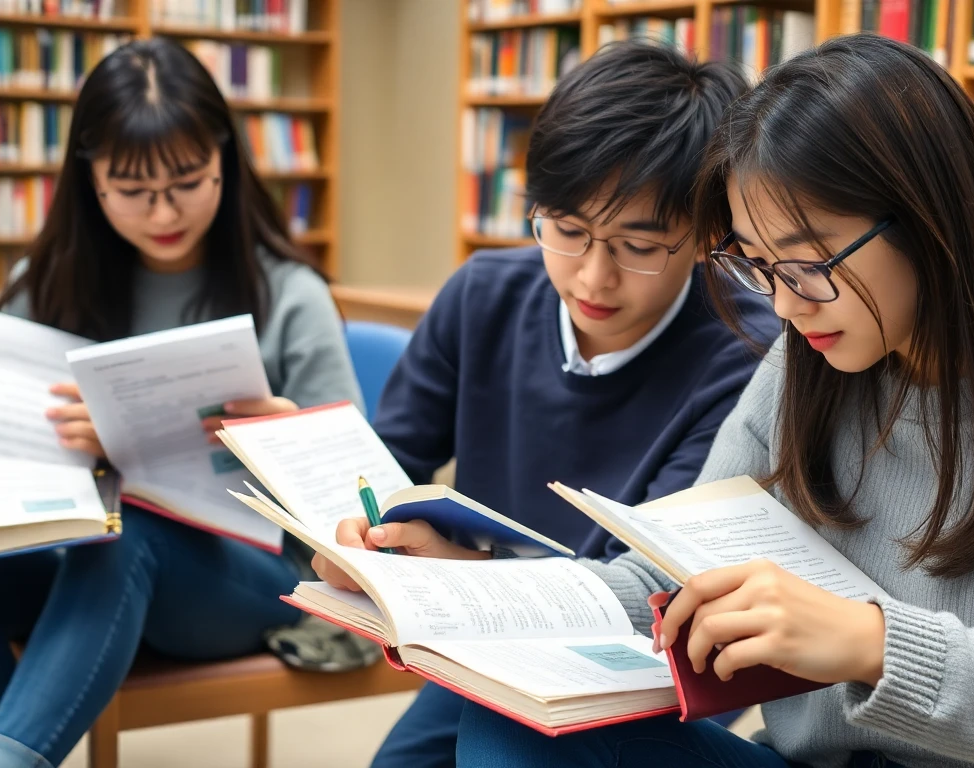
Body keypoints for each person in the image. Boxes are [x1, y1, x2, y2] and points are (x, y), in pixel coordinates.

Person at [448, 34, 974, 767]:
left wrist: (867, 642)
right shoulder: (814, 354)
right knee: (507, 728)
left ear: (930, 221)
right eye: (759, 266)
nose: (784, 305)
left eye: (807, 264)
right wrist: (457, 592)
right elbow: (667, 576)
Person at [0, 38, 363, 768]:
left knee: (129, 528)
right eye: (133, 190)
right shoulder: (43, 284)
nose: (164, 211)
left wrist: (283, 442)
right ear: (90, 181)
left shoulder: (288, 294)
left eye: (187, 181)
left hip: (239, 580)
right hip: (71, 566)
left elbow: (357, 509)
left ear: (225, 162)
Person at [310, 40, 780, 767]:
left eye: (636, 245)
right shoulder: (484, 295)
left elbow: (648, 584)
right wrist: (354, 532)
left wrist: (471, 571)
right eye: (566, 232)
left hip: (634, 669)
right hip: (487, 629)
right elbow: (386, 463)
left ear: (705, 238)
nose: (593, 275)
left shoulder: (748, 358)